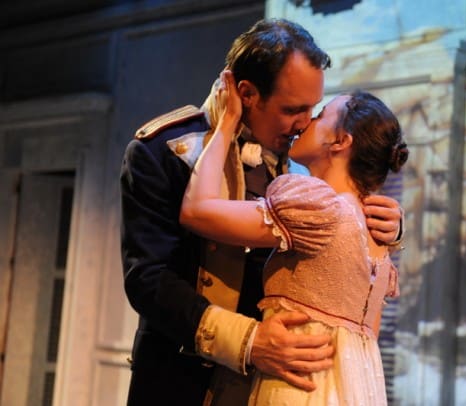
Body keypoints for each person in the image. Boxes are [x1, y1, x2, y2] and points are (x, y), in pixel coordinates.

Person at [120, 18, 403, 405]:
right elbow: (147, 279)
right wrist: (248, 341)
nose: (304, 123)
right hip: (181, 385)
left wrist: (383, 224)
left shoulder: (298, 165)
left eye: (313, 110)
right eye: (293, 109)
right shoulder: (160, 150)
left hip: (270, 384)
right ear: (247, 93)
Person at [180, 70, 409, 405]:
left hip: (299, 389)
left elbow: (197, 211)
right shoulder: (378, 236)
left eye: (319, 115)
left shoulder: (319, 209)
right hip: (354, 390)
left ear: (340, 141)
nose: (305, 123)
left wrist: (227, 122)